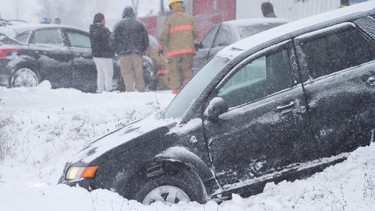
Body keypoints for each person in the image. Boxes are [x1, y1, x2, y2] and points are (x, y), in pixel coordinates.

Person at [158, 0, 198, 94]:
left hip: (174, 52)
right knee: (187, 71)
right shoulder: (189, 18)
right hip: (188, 51)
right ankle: (189, 91)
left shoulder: (169, 20)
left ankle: (176, 94)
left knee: (174, 72)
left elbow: (164, 34)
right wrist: (188, 40)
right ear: (181, 6)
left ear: (172, 7)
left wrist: (160, 47)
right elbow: (196, 32)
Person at [110, 6, 149, 92]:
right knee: (138, 73)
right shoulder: (140, 24)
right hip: (137, 53)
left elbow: (112, 39)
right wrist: (142, 49)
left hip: (123, 54)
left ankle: (130, 91)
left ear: (123, 14)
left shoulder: (118, 25)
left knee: (127, 74)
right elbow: (146, 39)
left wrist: (116, 50)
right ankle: (141, 91)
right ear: (133, 14)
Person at [89, 13, 114, 93]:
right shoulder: (104, 29)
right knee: (108, 74)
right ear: (101, 20)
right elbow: (111, 40)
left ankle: (100, 90)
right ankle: (108, 90)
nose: (105, 21)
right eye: (104, 19)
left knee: (100, 75)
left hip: (96, 56)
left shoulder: (92, 29)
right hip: (105, 55)